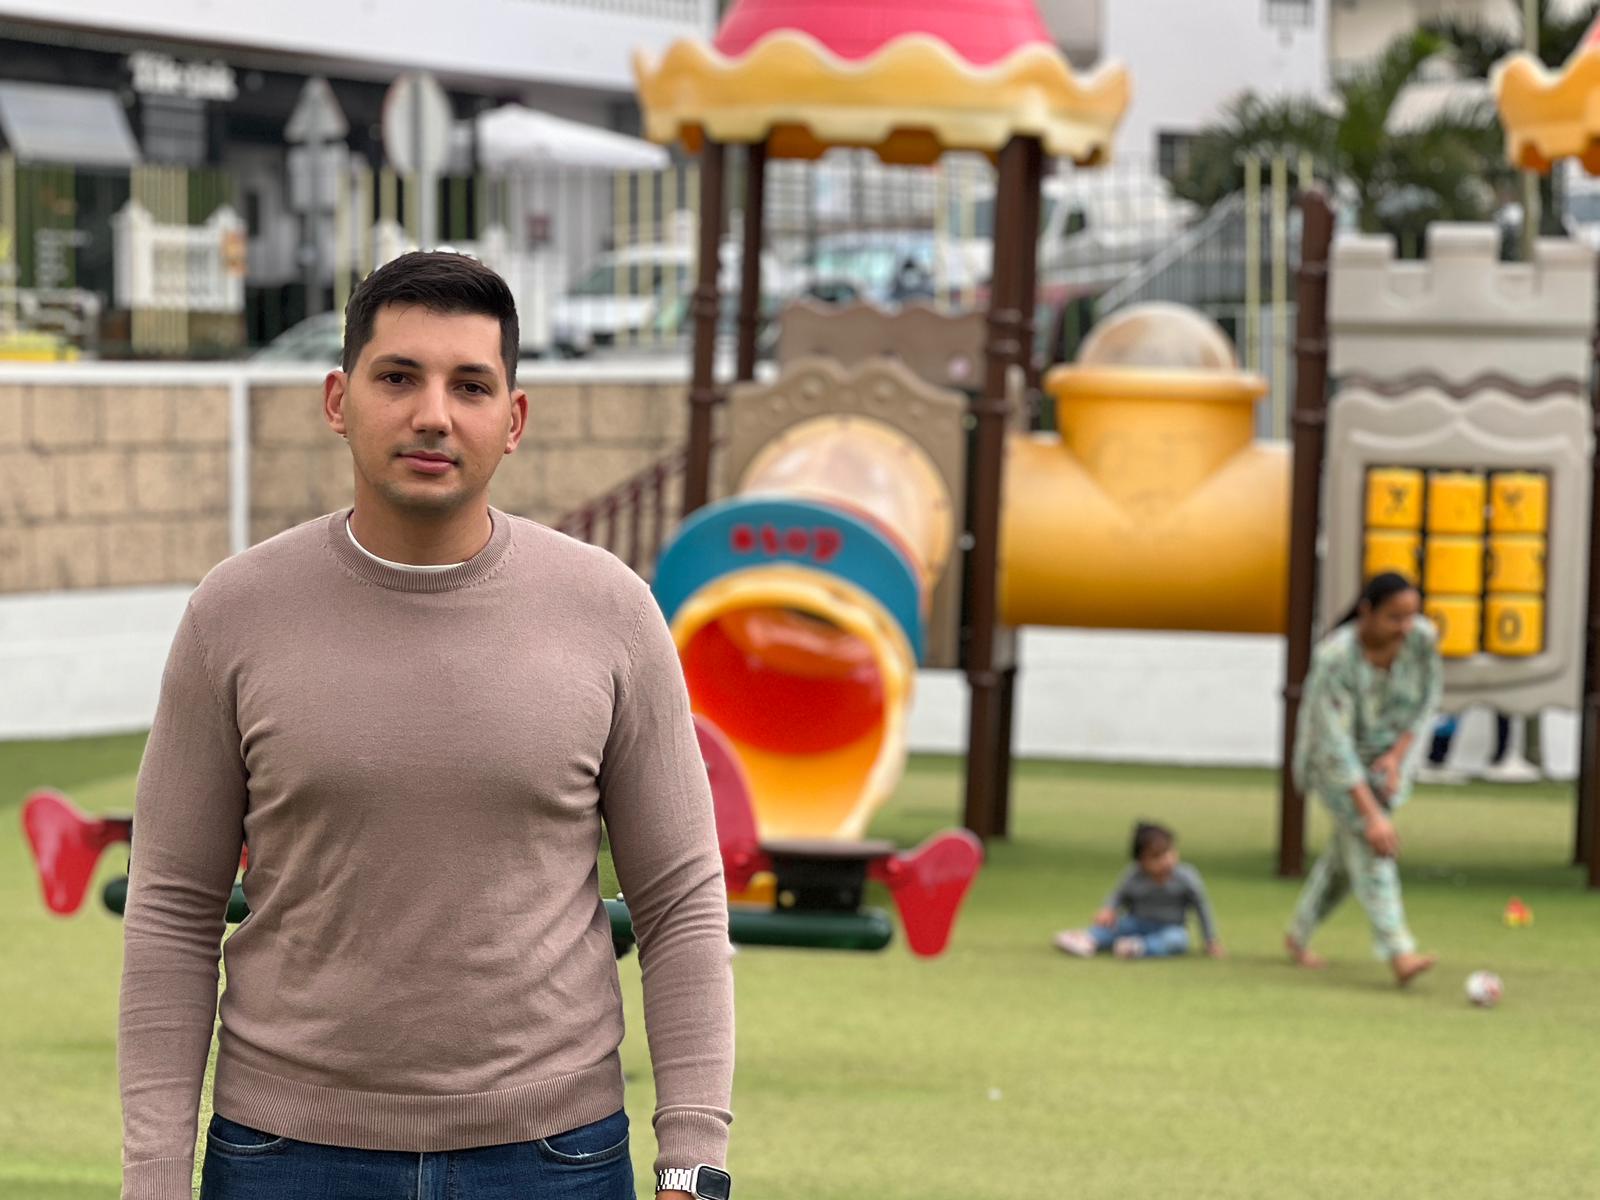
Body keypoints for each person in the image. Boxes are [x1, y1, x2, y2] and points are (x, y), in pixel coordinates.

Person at [118, 252, 734, 1200]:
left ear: (513, 419)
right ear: (339, 397)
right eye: (398, 377)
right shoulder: (233, 613)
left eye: (471, 385)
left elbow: (682, 901)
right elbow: (170, 909)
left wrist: (694, 1164)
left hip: (556, 1158)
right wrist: (155, 1179)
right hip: (285, 1157)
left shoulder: (611, 610)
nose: (433, 414)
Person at [1285, 571, 1441, 986]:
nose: (1406, 628)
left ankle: (1298, 934)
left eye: (1412, 617)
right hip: (1334, 766)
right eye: (1394, 618)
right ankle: (1399, 950)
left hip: (1385, 760)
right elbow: (1334, 746)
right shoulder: (1335, 658)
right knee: (1373, 844)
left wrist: (1396, 757)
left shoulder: (1423, 639)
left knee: (1345, 857)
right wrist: (1372, 814)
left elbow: (1428, 701)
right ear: (1366, 611)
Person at [1052, 821, 1223, 959]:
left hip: (1170, 927)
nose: (1166, 861)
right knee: (1117, 926)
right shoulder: (1134, 875)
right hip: (1137, 922)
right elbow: (1118, 895)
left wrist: (1210, 940)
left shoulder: (1186, 877)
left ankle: (1138, 947)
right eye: (1157, 857)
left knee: (1177, 940)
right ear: (1142, 861)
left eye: (1169, 852)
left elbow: (1202, 907)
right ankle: (1087, 939)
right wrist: (1108, 909)